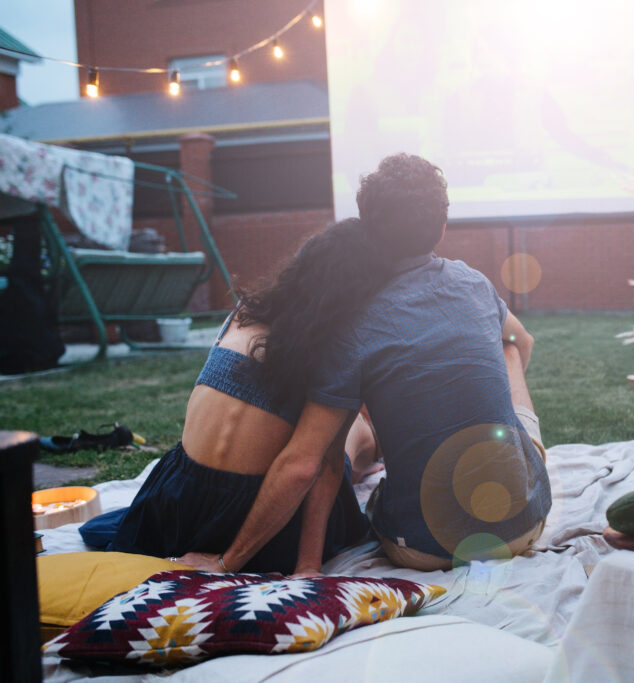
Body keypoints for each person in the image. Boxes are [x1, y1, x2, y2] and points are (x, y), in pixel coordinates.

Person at [79, 218, 390, 575]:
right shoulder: (338, 350)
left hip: (173, 503)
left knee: (311, 430)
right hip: (254, 521)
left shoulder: (246, 311)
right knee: (349, 439)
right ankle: (373, 449)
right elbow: (309, 468)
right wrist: (282, 564)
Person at [307, 153, 551, 570]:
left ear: (368, 228)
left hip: (423, 551)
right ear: (442, 226)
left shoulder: (355, 317)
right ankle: (522, 453)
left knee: (355, 428)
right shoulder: (474, 283)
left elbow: (323, 458)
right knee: (507, 345)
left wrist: (306, 567)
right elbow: (521, 341)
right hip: (523, 528)